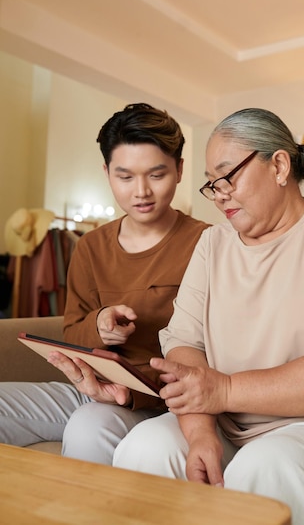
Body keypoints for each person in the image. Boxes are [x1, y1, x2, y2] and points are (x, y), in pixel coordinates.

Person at [113, 107, 304, 524]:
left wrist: (226, 390)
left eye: (227, 176)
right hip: (228, 424)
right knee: (142, 447)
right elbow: (185, 344)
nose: (218, 194)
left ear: (279, 165)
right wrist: (200, 431)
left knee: (266, 469)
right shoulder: (213, 244)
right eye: (211, 184)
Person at [0, 103, 209, 464]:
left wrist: (131, 395)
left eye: (156, 175)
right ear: (107, 172)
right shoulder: (90, 247)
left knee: (89, 425)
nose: (141, 191)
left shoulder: (208, 244)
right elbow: (72, 333)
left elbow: (219, 350)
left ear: (179, 170)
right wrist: (98, 326)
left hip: (156, 399)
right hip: (91, 387)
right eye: (124, 177)